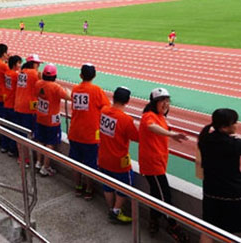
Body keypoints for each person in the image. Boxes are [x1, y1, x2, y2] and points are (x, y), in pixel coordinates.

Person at [138, 88, 189, 242]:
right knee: (165, 196)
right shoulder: (149, 116)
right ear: (154, 103)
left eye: (167, 101)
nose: (166, 104)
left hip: (158, 162)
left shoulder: (160, 116)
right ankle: (172, 226)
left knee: (156, 193)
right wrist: (171, 134)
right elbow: (150, 126)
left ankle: (153, 219)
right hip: (152, 165)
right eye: (162, 101)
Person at [198, 109, 241, 243]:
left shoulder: (205, 139)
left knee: (208, 229)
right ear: (224, 127)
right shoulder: (234, 144)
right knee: (232, 233)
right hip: (232, 194)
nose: (236, 125)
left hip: (210, 192)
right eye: (234, 122)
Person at [68, 63, 110, 200]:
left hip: (75, 131)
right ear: (95, 75)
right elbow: (106, 107)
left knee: (76, 162)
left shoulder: (75, 89)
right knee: (90, 164)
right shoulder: (96, 90)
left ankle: (78, 186)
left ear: (80, 75)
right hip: (90, 135)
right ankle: (89, 189)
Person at [98, 87, 139, 224]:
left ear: (114, 97)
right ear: (127, 101)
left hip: (103, 157)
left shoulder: (103, 112)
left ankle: (111, 209)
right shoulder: (126, 120)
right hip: (119, 161)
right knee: (127, 184)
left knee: (108, 184)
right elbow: (136, 137)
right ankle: (116, 211)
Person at [35, 64, 71, 177]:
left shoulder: (38, 84)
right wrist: (68, 91)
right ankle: (45, 167)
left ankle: (38, 162)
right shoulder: (56, 87)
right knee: (50, 143)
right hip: (52, 120)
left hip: (40, 117)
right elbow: (69, 97)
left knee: (40, 140)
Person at [14, 54, 42, 166]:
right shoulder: (34, 74)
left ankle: (21, 157)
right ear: (33, 63)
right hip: (28, 108)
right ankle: (26, 159)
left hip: (18, 105)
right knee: (28, 134)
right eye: (37, 63)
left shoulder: (22, 72)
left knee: (19, 134)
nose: (39, 65)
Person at [2, 55, 22, 156]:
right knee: (14, 128)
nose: (20, 65)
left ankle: (4, 146)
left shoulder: (7, 73)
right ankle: (12, 149)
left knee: (6, 126)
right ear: (15, 64)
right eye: (19, 63)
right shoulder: (15, 75)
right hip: (13, 104)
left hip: (6, 102)